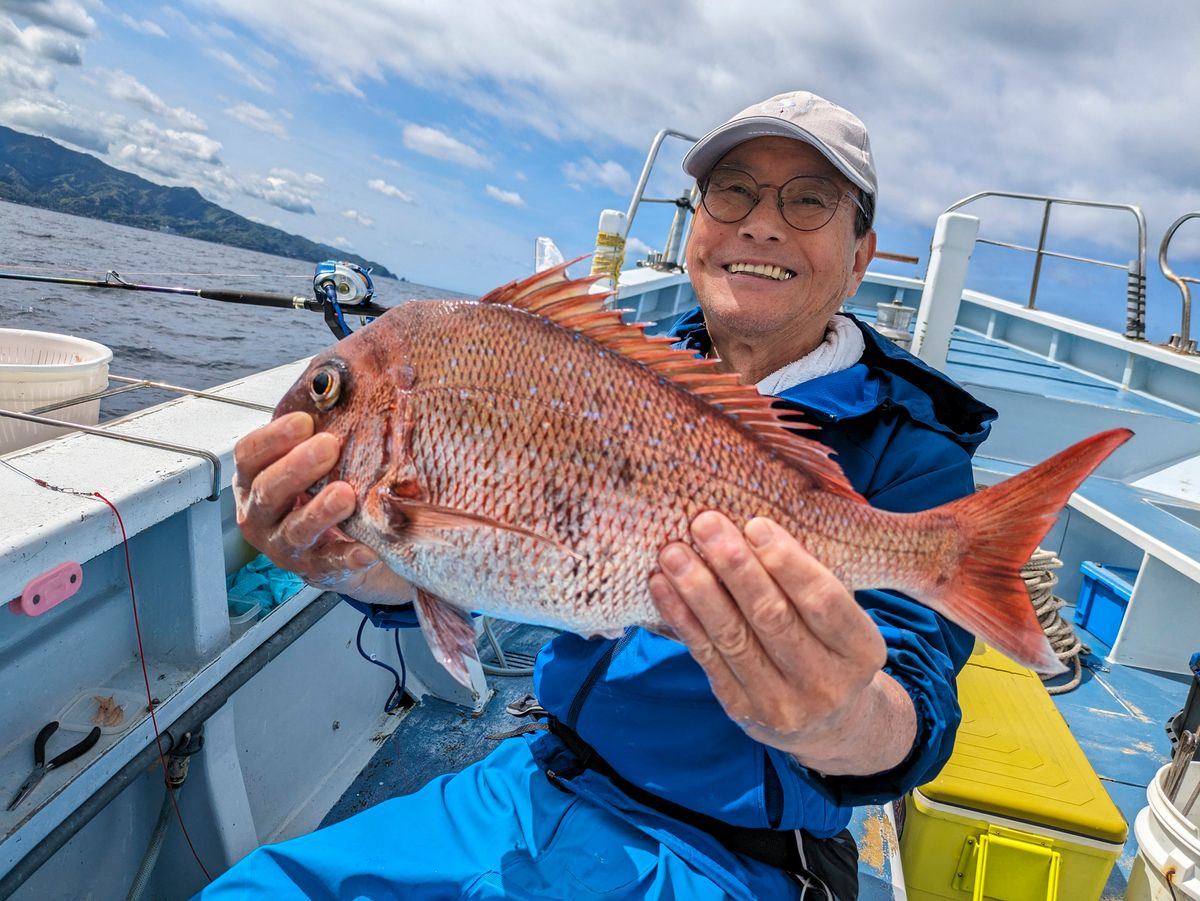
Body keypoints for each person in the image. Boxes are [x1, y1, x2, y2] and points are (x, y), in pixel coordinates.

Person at [204, 90, 993, 900]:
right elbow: (497, 558)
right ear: (695, 228)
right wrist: (361, 563)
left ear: (861, 256)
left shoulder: (913, 451)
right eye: (733, 190)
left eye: (809, 200)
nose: (763, 222)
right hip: (534, 776)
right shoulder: (617, 363)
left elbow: (916, 703)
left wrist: (843, 721)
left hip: (738, 855)